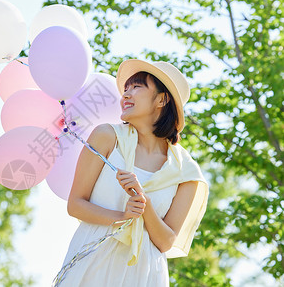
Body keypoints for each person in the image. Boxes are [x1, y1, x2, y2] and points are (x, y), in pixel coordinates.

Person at [55, 59, 209, 287]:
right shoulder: (107, 137)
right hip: (92, 260)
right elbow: (76, 204)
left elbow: (166, 241)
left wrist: (143, 202)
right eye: (126, 88)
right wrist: (122, 218)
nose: (125, 95)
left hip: (144, 274)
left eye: (137, 87)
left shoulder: (186, 172)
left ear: (161, 99)